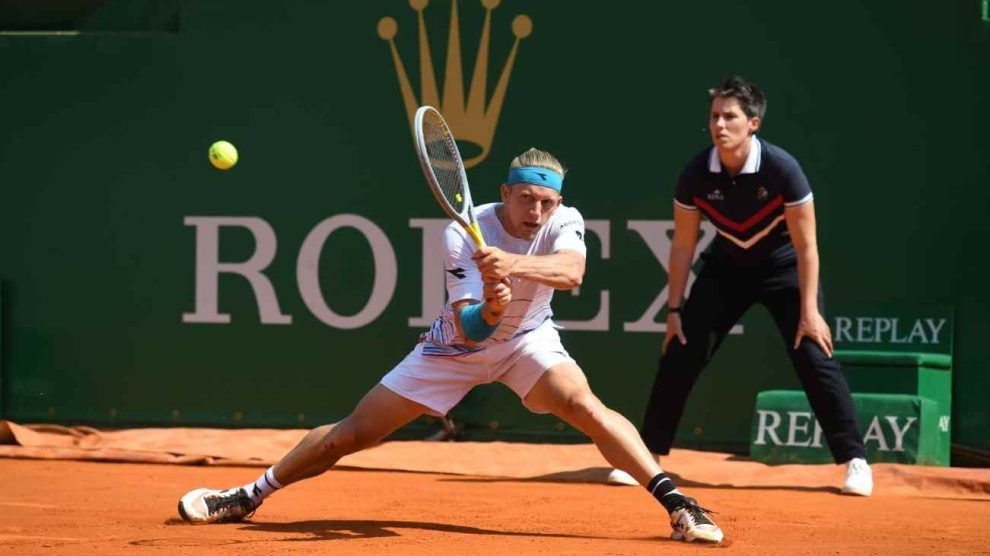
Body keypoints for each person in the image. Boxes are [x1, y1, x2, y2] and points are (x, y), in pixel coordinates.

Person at [177, 148, 725, 543]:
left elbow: (572, 270)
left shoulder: (564, 220)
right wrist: (490, 305)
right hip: (454, 349)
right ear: (506, 193)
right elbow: (469, 328)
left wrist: (510, 266)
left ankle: (678, 504)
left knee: (586, 406)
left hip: (530, 341)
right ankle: (248, 495)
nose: (537, 212)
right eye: (527, 199)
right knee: (348, 436)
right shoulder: (464, 230)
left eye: (547, 202)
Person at [637, 76, 873, 496]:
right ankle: (647, 456)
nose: (720, 125)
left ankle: (855, 460)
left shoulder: (782, 169)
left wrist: (810, 310)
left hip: (783, 267)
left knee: (814, 354)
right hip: (726, 267)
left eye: (730, 117)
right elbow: (683, 248)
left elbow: (807, 246)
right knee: (681, 349)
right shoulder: (695, 173)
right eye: (714, 116)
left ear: (754, 123)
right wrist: (674, 312)